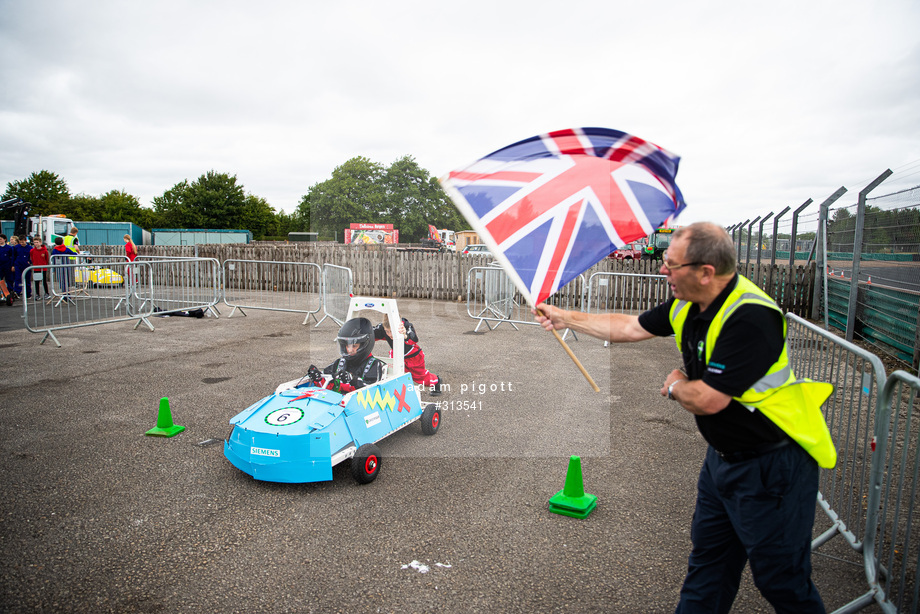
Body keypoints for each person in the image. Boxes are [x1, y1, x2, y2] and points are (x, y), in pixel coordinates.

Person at [533, 222, 835, 613]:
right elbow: (629, 325)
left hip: (773, 466)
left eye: (671, 264)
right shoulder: (687, 303)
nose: (662, 270)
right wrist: (565, 318)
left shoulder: (750, 317)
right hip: (723, 461)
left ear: (705, 271)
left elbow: (709, 399)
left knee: (782, 581)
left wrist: (676, 383)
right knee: (708, 568)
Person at [305, 317, 384, 393]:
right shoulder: (340, 363)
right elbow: (327, 384)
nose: (350, 350)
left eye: (354, 346)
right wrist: (318, 378)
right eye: (347, 346)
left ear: (365, 344)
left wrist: (353, 380)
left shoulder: (374, 365)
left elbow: (372, 390)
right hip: (335, 403)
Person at [374, 316, 442, 395]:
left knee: (421, 378)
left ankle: (437, 381)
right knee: (391, 374)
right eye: (387, 331)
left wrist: (405, 335)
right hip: (396, 354)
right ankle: (395, 392)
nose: (390, 334)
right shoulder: (382, 327)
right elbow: (372, 332)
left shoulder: (406, 325)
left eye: (392, 331)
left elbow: (414, 339)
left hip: (413, 356)